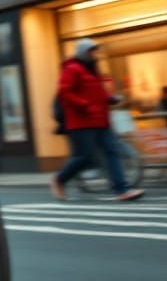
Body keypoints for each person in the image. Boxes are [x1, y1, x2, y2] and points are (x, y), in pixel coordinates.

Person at [50, 39, 144, 201]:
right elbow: (65, 92)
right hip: (82, 122)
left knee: (111, 151)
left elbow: (97, 92)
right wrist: (85, 105)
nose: (95, 54)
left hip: (101, 120)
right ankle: (59, 179)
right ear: (83, 52)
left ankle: (121, 189)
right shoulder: (72, 69)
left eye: (95, 51)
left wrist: (110, 99)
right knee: (84, 156)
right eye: (91, 51)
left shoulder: (92, 70)